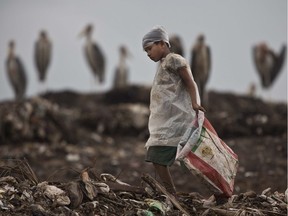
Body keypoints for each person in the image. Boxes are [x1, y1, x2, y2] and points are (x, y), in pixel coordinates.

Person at [142, 26, 206, 195]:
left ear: (162, 43)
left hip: (176, 122)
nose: (148, 53)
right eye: (145, 51)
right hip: (166, 122)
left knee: (158, 154)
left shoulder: (174, 59)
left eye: (149, 48)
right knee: (161, 156)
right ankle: (169, 191)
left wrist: (195, 103)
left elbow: (190, 82)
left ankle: (170, 191)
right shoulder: (164, 64)